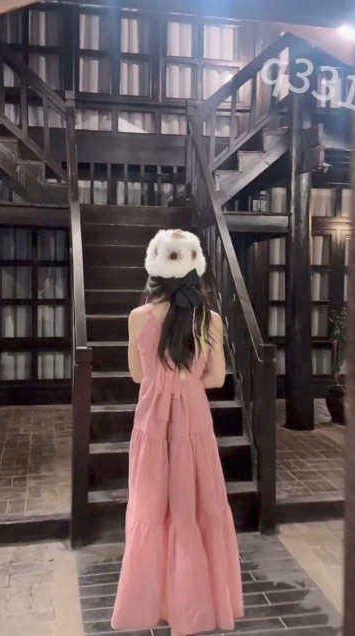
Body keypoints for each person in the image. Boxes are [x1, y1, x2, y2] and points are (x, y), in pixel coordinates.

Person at [111, 229, 244, 636]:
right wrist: (185, 381)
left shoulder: (137, 317)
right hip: (193, 422)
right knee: (195, 505)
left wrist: (164, 380)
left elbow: (138, 376)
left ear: (154, 270)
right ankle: (194, 607)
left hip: (152, 422)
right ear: (195, 269)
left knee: (151, 508)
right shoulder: (211, 319)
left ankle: (152, 603)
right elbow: (216, 379)